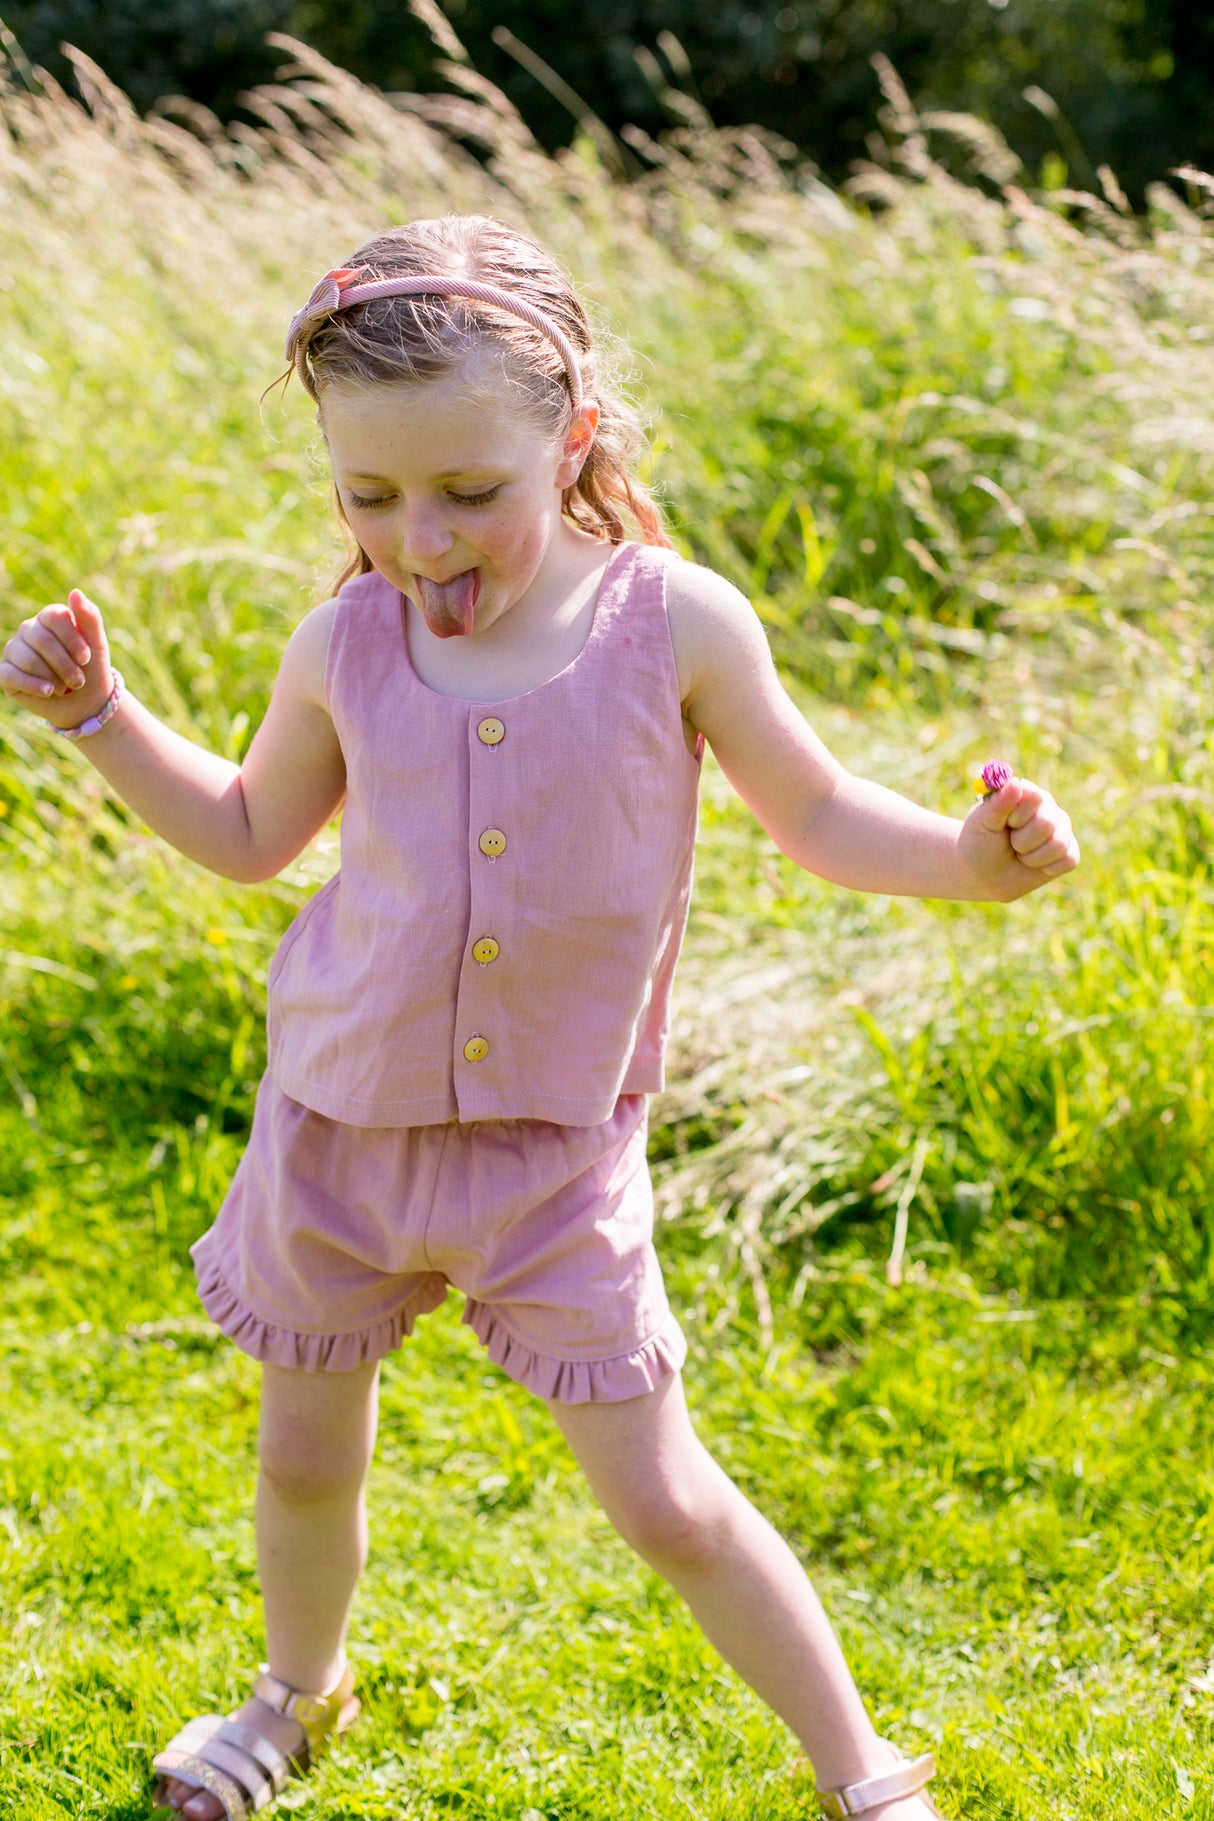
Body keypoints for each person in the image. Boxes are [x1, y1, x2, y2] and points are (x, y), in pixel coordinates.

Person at [0, 214, 1078, 1821]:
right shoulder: (345, 638)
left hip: (553, 1156)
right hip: (339, 1128)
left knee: (666, 1503)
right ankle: (296, 1693)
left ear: (568, 433)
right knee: (303, 1455)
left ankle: (864, 1774)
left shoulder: (675, 623)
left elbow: (825, 814)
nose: (417, 540)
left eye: (466, 494)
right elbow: (243, 834)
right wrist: (100, 716)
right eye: (369, 498)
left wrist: (972, 867)